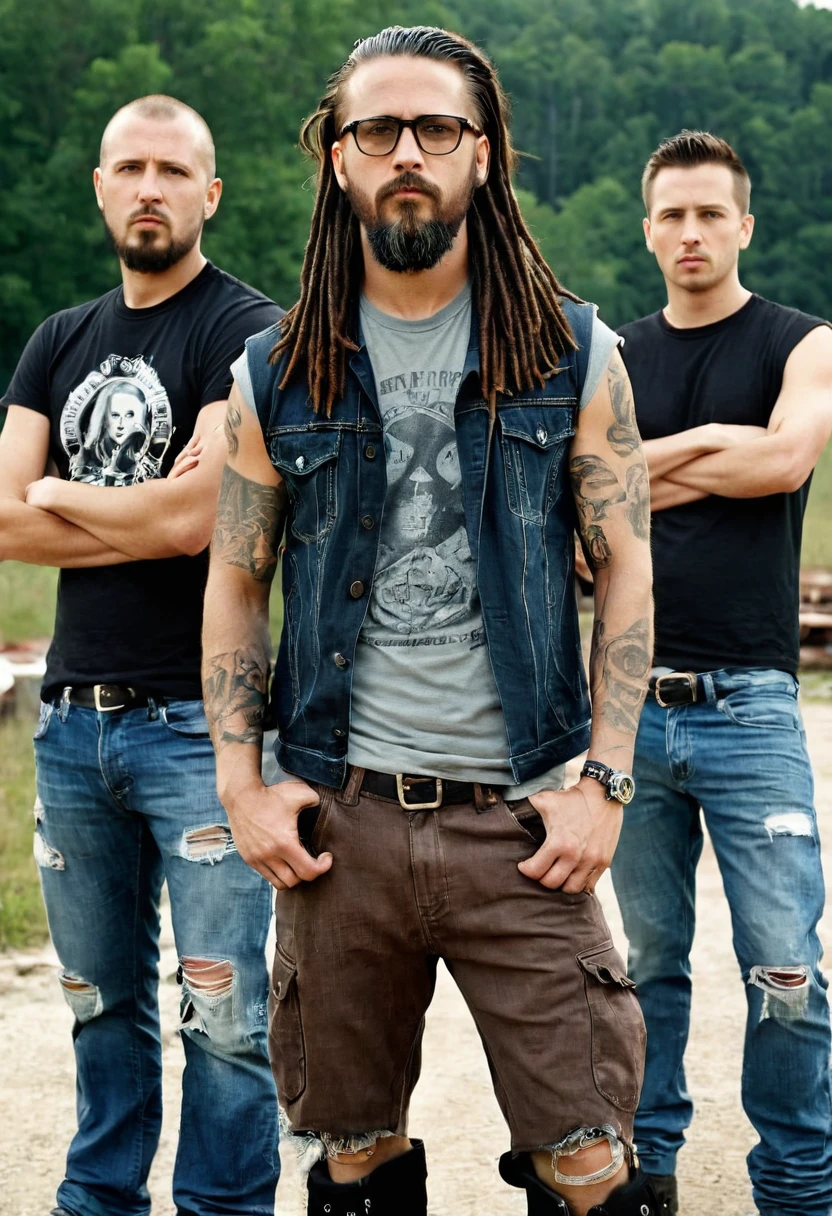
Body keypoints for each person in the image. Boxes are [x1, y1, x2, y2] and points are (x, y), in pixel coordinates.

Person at [202, 26, 656, 1216]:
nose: (407, 152)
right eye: (377, 130)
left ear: (486, 155)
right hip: (338, 826)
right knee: (352, 1157)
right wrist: (242, 784)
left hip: (522, 824)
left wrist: (602, 780)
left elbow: (626, 570)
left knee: (589, 1160)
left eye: (437, 129)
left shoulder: (574, 350)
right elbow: (238, 579)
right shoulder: (275, 371)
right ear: (336, 161)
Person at [0, 95, 282, 1216]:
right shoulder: (58, 339)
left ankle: (222, 1208)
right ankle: (100, 1200)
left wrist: (64, 490)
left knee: (224, 1010)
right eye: (131, 166)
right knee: (96, 1000)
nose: (150, 187)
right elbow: (0, 520)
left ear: (209, 194)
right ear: (103, 188)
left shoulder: (246, 330)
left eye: (174, 169)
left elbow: (197, 519)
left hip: (196, 728)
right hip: (71, 722)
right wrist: (133, 502)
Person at [609, 131, 832, 1216]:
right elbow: (574, 508)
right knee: (646, 961)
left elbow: (784, 458)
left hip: (750, 703)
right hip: (628, 706)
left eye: (711, 214)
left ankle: (797, 1186)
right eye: (671, 215)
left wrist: (642, 466)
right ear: (646, 227)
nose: (690, 232)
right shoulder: (611, 357)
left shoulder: (804, 343)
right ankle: (647, 1170)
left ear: (744, 223)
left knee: (784, 966)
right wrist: (711, 455)